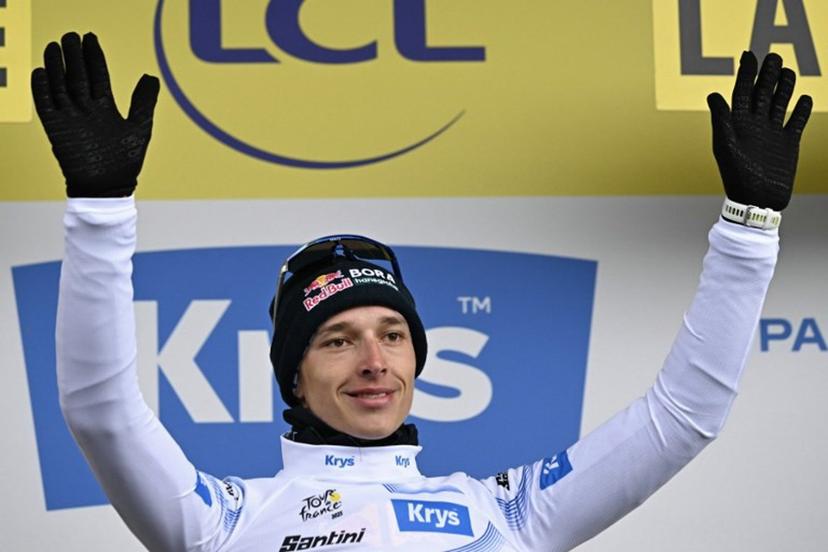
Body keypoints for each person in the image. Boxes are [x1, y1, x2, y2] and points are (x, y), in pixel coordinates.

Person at [32, 31, 812, 552]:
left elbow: (684, 415)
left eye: (393, 334)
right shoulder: (220, 520)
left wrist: (750, 224)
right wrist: (100, 210)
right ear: (292, 375)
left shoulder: (506, 512)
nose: (375, 360)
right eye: (338, 339)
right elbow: (99, 411)